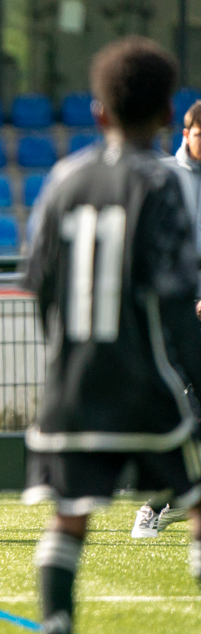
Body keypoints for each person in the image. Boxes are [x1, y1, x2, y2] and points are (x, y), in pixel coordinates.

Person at [22, 37, 201, 634]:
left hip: (69, 390)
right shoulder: (162, 184)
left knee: (69, 518)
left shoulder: (64, 179)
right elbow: (178, 303)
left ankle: (56, 622)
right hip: (144, 381)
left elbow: (39, 285)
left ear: (99, 113)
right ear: (168, 117)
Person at [131, 99, 201, 538]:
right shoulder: (164, 178)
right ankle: (155, 505)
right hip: (175, 318)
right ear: (186, 134)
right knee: (178, 414)